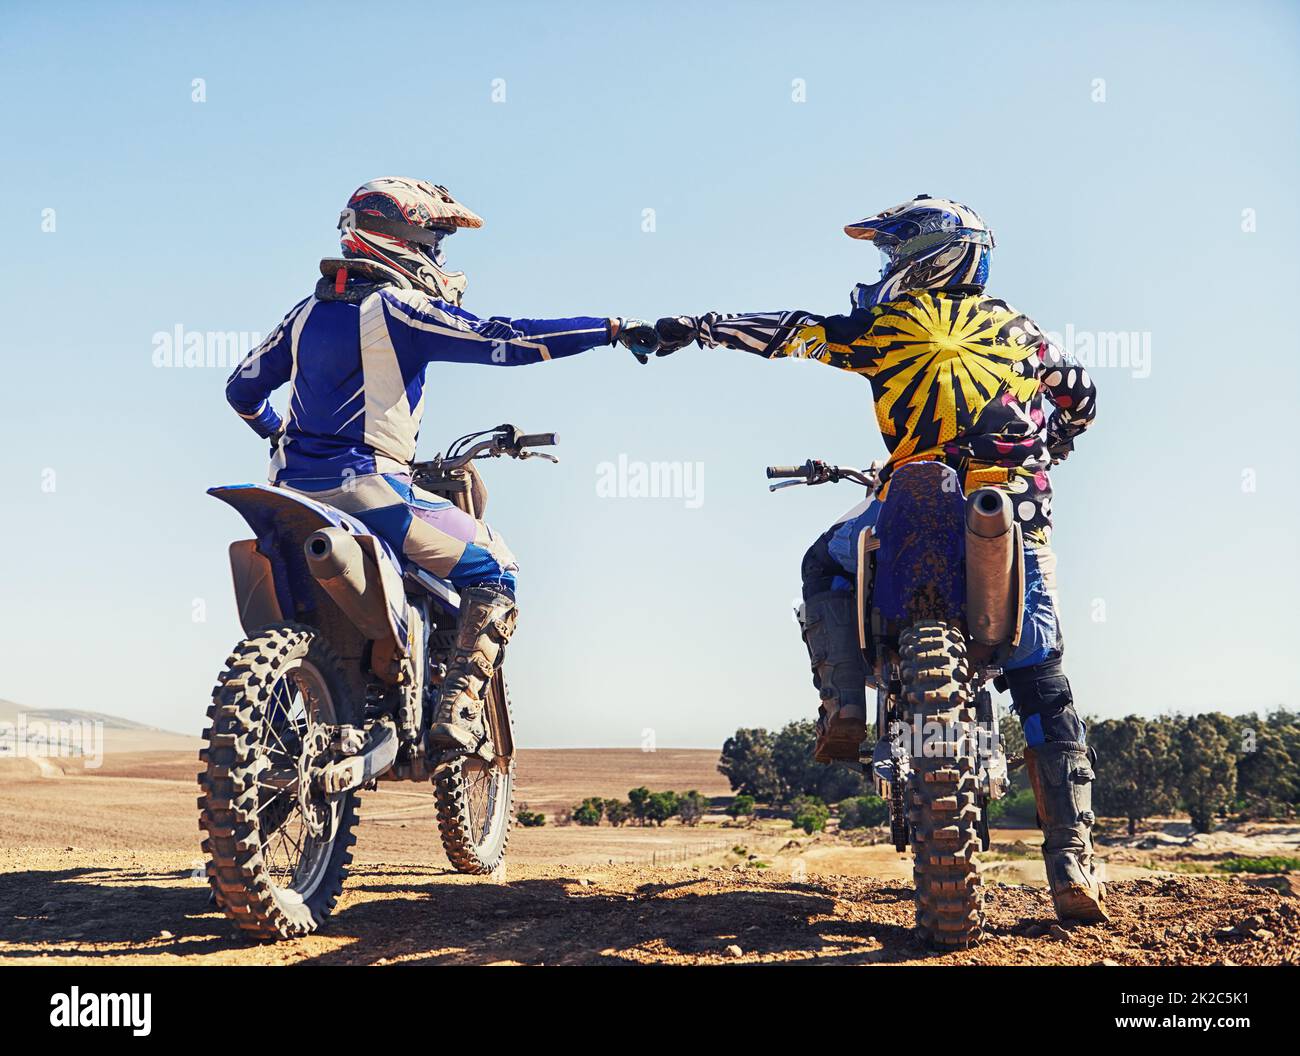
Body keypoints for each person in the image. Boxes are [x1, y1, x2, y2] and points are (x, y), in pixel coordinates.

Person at [653, 195, 1106, 922]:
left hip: (910, 499)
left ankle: (844, 701)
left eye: (897, 253)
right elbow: (1081, 393)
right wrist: (1058, 441)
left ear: (934, 255)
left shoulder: (887, 325)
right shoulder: (1026, 331)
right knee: (1043, 682)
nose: (888, 267)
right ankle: (1072, 860)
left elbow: (793, 332)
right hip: (1017, 513)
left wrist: (701, 326)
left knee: (822, 562)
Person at [225, 176, 657, 756]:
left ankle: (275, 729)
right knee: (496, 566)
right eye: (433, 242)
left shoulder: (302, 314)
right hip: (372, 493)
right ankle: (455, 709)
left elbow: (241, 391)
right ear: (404, 239)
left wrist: (280, 434)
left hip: (285, 494)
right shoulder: (400, 310)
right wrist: (609, 330)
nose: (437, 257)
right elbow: (504, 340)